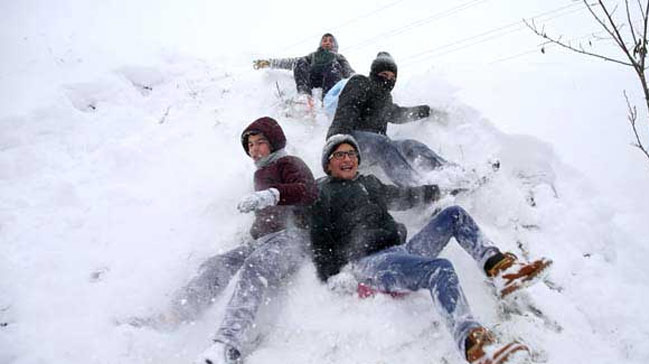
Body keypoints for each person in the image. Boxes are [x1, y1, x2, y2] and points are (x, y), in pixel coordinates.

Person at [310, 134, 553, 364]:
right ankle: (475, 346)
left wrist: (438, 190)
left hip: (401, 252)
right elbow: (319, 239)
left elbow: (404, 197)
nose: (347, 159)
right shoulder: (324, 192)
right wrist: (333, 276)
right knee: (440, 270)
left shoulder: (370, 183)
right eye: (339, 155)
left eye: (351, 153)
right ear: (327, 165)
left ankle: (500, 269)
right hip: (370, 263)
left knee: (454, 215)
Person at [151, 117, 317, 364]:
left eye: (260, 142)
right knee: (218, 263)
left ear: (274, 142)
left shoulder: (288, 162)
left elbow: (308, 191)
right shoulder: (260, 172)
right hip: (264, 239)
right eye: (250, 145)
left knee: (255, 266)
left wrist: (271, 195)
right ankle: (174, 315)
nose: (254, 150)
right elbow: (268, 217)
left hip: (293, 238)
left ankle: (227, 346)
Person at [327, 52, 449, 187]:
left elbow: (399, 114)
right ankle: (418, 189)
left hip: (376, 148)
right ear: (374, 74)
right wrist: (338, 142)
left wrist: (428, 110)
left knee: (410, 145)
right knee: (382, 141)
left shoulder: (385, 99)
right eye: (384, 75)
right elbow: (346, 108)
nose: (388, 80)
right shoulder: (360, 83)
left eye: (392, 77)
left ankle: (449, 175)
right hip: (349, 141)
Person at [253, 33, 355, 103]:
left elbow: (349, 72)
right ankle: (305, 96)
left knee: (333, 65)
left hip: (331, 80)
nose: (327, 42)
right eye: (324, 40)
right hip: (313, 79)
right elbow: (292, 62)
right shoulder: (313, 56)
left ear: (334, 45)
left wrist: (361, 81)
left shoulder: (338, 57)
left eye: (330, 41)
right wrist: (270, 63)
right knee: (300, 61)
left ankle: (329, 99)